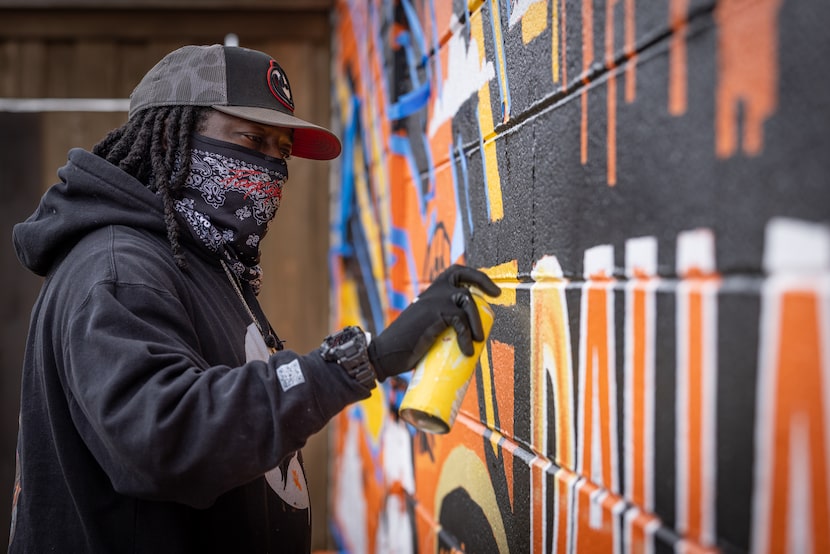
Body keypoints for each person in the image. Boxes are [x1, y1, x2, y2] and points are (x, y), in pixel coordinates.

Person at [8, 44, 501, 553]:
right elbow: (165, 436)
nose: (269, 167)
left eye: (281, 151)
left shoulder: (206, 258)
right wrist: (363, 361)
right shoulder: (119, 270)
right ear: (171, 135)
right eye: (252, 139)